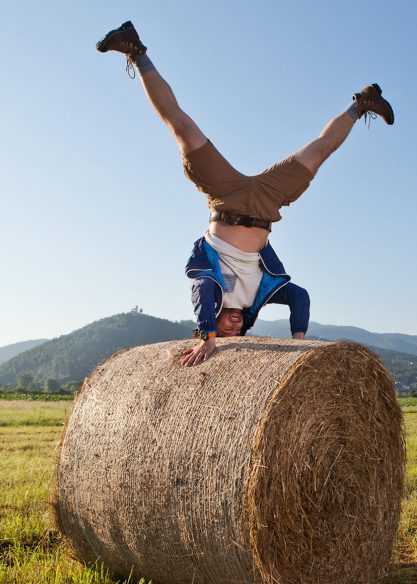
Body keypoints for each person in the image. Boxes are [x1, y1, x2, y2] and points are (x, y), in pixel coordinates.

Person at [95, 21, 395, 366]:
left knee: (182, 127)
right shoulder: (256, 297)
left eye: (227, 331)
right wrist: (299, 347)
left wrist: (209, 336)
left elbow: (201, 292)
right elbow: (300, 297)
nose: (234, 327)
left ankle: (136, 52)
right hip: (267, 204)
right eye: (238, 333)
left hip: (225, 197)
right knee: (319, 152)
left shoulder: (209, 290)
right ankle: (362, 103)